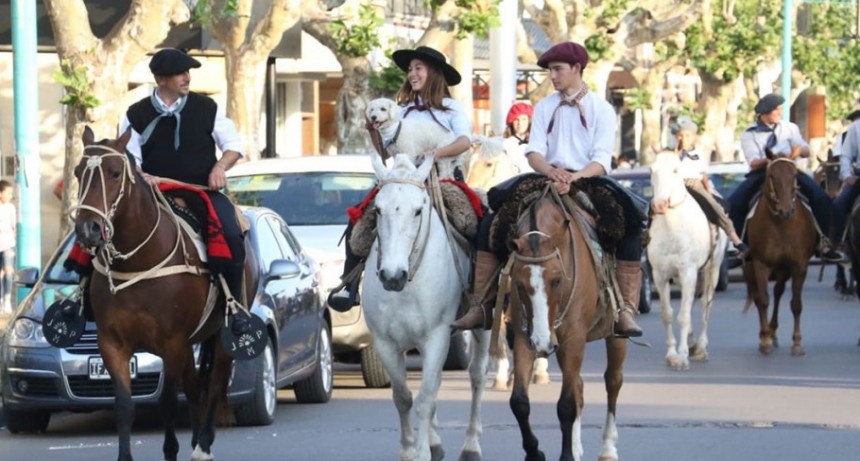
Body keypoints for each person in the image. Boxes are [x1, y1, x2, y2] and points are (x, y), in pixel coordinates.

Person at [451, 41, 644, 337]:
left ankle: (625, 309)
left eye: (557, 70)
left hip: (588, 179)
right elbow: (534, 151)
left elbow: (602, 159)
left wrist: (574, 177)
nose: (553, 76)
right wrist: (551, 171)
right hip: (545, 176)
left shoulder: (601, 109)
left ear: (577, 68)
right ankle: (480, 305)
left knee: (630, 221)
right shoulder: (544, 106)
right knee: (492, 219)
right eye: (550, 71)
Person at [327, 45, 473, 311]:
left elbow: (465, 141)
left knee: (477, 222)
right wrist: (373, 132)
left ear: (434, 73)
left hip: (441, 179)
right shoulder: (400, 110)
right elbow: (386, 154)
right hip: (402, 182)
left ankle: (479, 291)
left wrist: (436, 153)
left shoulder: (451, 109)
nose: (412, 74)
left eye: (418, 68)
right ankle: (350, 285)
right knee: (359, 220)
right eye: (410, 69)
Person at [118, 48, 249, 333]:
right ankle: (83, 302)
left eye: (188, 72)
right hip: (152, 195)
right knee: (98, 235)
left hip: (201, 192)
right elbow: (130, 158)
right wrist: (142, 177)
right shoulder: (135, 114)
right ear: (160, 78)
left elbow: (235, 147)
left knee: (231, 233)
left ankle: (235, 307)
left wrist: (219, 168)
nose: (187, 78)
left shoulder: (207, 107)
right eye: (181, 73)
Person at [728, 93, 843, 263]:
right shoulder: (749, 133)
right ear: (765, 113)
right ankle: (740, 248)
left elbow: (805, 149)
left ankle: (824, 243)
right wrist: (772, 159)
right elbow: (753, 162)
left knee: (820, 197)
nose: (780, 113)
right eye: (777, 110)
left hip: (789, 170)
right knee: (736, 202)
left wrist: (798, 152)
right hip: (764, 171)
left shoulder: (789, 128)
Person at [673, 120, 748, 260]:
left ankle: (734, 240)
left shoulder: (698, 153)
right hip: (676, 187)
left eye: (689, 135)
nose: (686, 139)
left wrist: (709, 190)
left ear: (694, 136)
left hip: (694, 184)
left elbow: (703, 175)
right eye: (683, 135)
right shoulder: (671, 154)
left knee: (715, 206)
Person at [831, 109, 860, 249]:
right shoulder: (856, 127)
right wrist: (847, 174)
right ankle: (839, 242)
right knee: (838, 204)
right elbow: (846, 154)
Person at [502, 102, 535, 173]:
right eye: (516, 120)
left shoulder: (537, 140)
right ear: (511, 122)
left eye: (524, 119)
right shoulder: (505, 144)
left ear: (529, 121)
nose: (520, 123)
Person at [0, 180, 15, 314]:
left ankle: (7, 299)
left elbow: (14, 226)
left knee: (8, 271)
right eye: (8, 193)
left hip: (8, 244)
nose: (10, 195)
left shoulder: (11, 208)